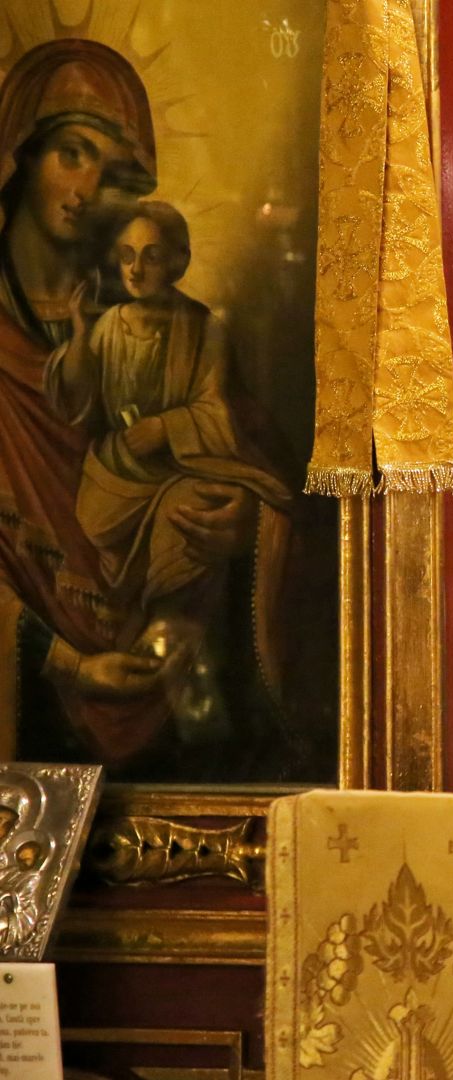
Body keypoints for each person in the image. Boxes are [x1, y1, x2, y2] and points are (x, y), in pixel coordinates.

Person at [0, 40, 266, 773]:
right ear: (20, 156)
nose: (86, 187)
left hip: (165, 669)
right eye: (70, 153)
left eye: (108, 170)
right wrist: (65, 661)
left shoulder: (166, 321)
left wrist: (243, 520)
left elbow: (265, 475)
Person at [48, 201, 292, 653]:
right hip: (111, 478)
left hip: (176, 471)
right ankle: (117, 634)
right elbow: (77, 403)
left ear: (178, 261)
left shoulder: (205, 329)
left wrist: (166, 428)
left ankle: (164, 635)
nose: (136, 270)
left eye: (152, 256)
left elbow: (218, 413)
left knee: (187, 514)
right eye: (126, 255)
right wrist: (81, 335)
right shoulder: (108, 328)